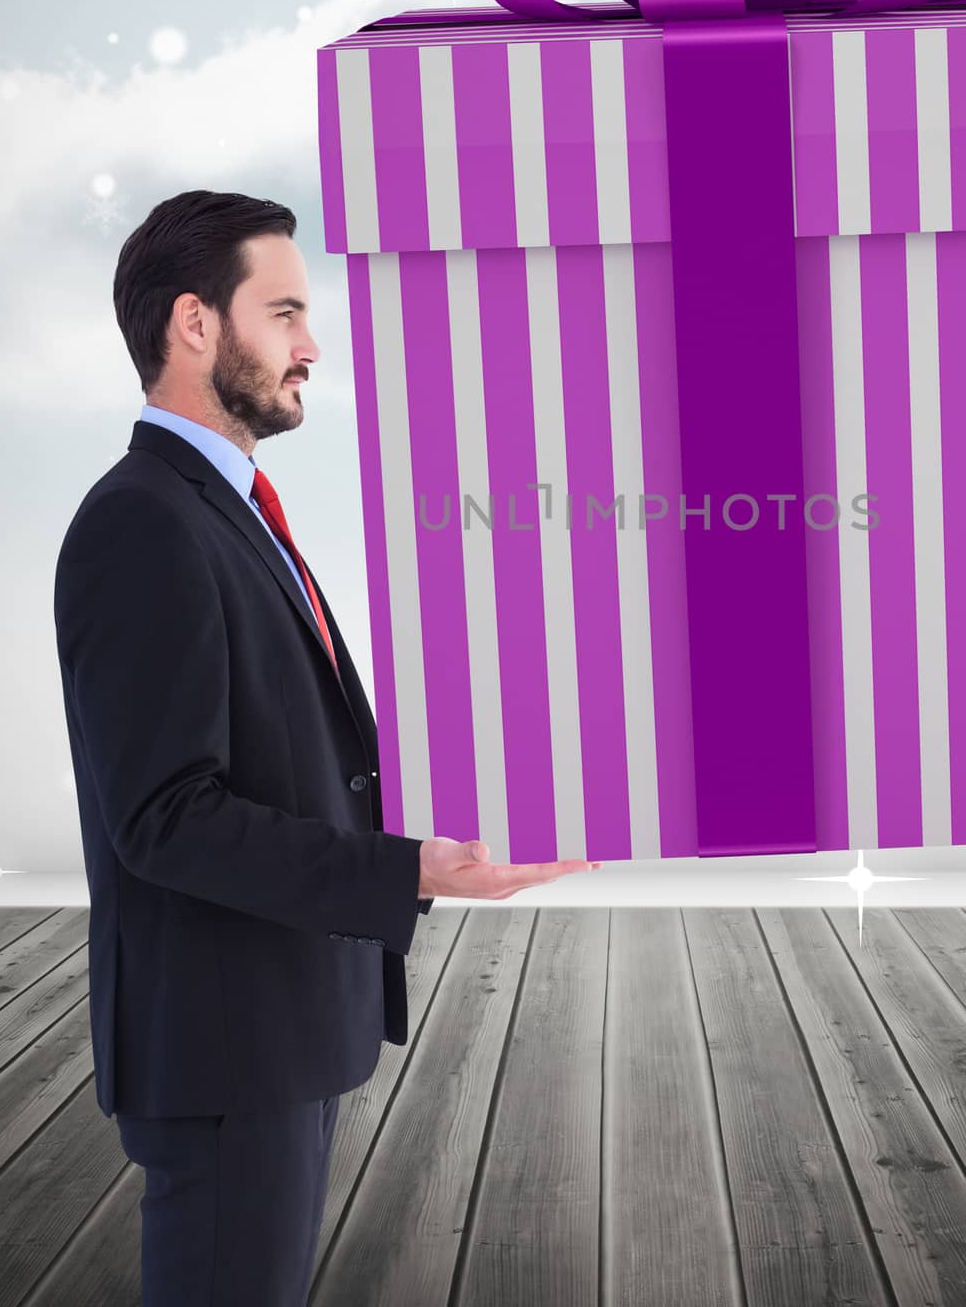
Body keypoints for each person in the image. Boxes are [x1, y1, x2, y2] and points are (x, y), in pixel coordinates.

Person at [53, 189, 599, 1305]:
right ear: (195, 324)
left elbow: (288, 752)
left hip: (275, 1028)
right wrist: (403, 871)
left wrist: (438, 820)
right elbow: (165, 815)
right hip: (225, 1048)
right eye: (286, 310)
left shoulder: (224, 508)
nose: (311, 345)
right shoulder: (143, 523)